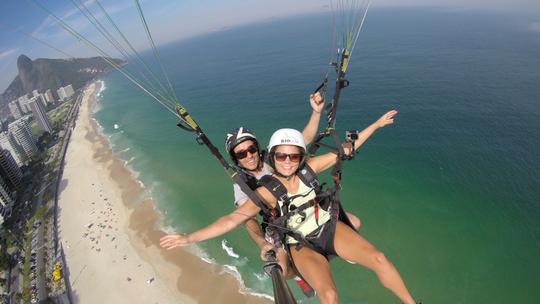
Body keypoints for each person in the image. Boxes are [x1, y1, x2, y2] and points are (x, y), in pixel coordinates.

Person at [161, 110, 417, 304]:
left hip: (325, 226)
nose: (287, 160)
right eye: (281, 156)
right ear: (273, 157)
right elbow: (236, 219)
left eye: (293, 156)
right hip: (296, 239)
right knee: (325, 293)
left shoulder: (306, 168)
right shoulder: (257, 189)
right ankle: (295, 272)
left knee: (378, 256)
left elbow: (343, 149)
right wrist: (189, 237)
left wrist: (375, 124)